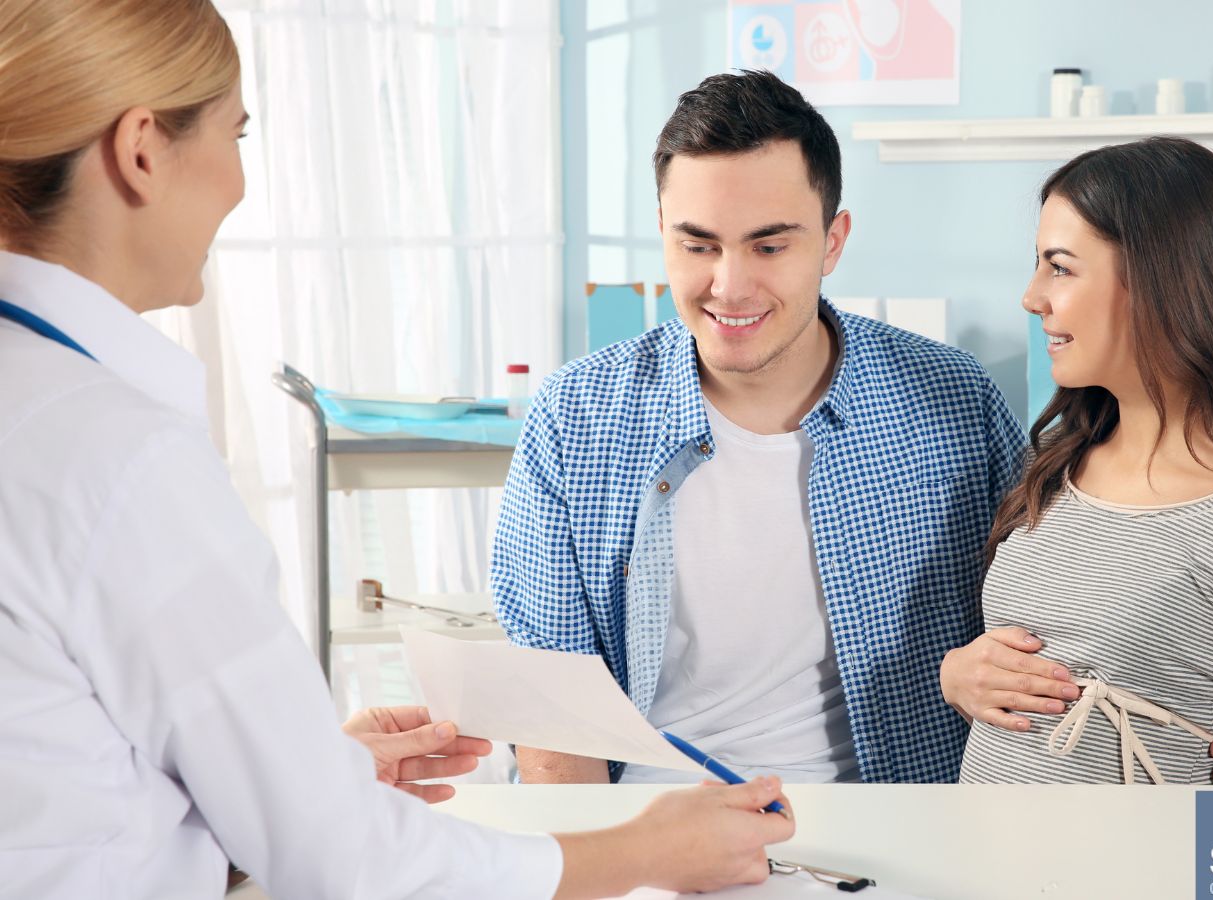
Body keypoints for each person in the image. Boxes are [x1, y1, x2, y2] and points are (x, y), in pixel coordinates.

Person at [0, 1, 791, 897]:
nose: (240, 181)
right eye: (237, 132)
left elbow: (61, 777)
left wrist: (303, 774)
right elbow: (347, 862)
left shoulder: (52, 413)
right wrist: (647, 853)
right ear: (142, 149)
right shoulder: (119, 457)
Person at [490, 70, 1213, 785]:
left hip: (897, 825)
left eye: (769, 244)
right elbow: (553, 716)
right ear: (662, 229)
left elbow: (1075, 607)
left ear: (832, 240)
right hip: (654, 822)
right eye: (698, 244)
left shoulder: (952, 403)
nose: (729, 285)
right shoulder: (575, 419)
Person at [947, 137, 1213, 785]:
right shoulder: (1060, 465)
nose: (1031, 296)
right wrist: (960, 675)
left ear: (1162, 281)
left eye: (1060, 267)